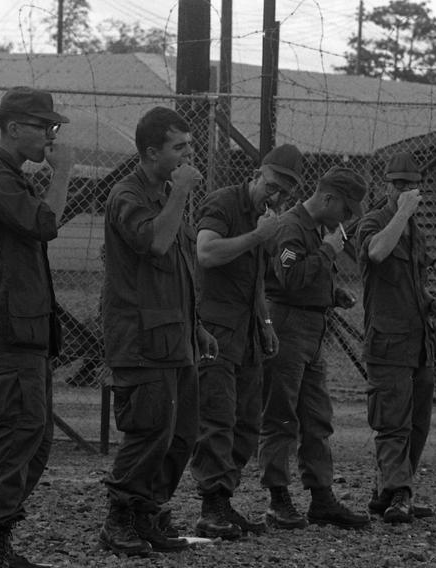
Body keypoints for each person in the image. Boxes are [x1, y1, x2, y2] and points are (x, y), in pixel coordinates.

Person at [99, 106, 218, 556]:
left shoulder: (168, 194)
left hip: (176, 337)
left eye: (190, 145)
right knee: (149, 432)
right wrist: (181, 193)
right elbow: (156, 243)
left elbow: (178, 269)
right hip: (141, 340)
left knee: (181, 434)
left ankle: (148, 513)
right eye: (179, 147)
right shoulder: (128, 196)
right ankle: (119, 518)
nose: (189, 155)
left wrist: (198, 326)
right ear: (151, 152)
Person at [0, 86, 73, 568]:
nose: (51, 135)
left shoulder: (11, 176)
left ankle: (1, 534)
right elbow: (44, 223)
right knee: (19, 431)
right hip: (10, 329)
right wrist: (65, 170)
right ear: (13, 127)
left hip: (28, 327)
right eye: (43, 126)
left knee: (37, 435)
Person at [189, 144, 304, 539]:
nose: (275, 197)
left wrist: (266, 320)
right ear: (257, 174)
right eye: (272, 187)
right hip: (216, 331)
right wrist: (256, 235)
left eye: (284, 194)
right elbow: (205, 253)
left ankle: (224, 501)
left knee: (247, 423)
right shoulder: (224, 204)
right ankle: (212, 506)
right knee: (217, 419)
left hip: (248, 331)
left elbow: (255, 278)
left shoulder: (263, 217)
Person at [258, 166, 371, 531]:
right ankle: (278, 499)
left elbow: (305, 276)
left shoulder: (314, 230)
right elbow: (288, 279)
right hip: (288, 329)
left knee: (316, 418)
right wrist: (327, 251)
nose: (347, 219)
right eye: (346, 210)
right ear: (328, 198)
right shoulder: (292, 228)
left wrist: (332, 293)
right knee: (282, 416)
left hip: (311, 328)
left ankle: (321, 498)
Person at [354, 152, 436, 524]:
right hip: (388, 342)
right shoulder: (376, 222)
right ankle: (401, 493)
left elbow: (414, 285)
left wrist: (433, 302)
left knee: (418, 423)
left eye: (411, 185)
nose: (405, 191)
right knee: (392, 421)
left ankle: (389, 492)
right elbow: (376, 253)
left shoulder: (415, 232)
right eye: (398, 184)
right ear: (385, 185)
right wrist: (402, 213)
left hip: (419, 341)